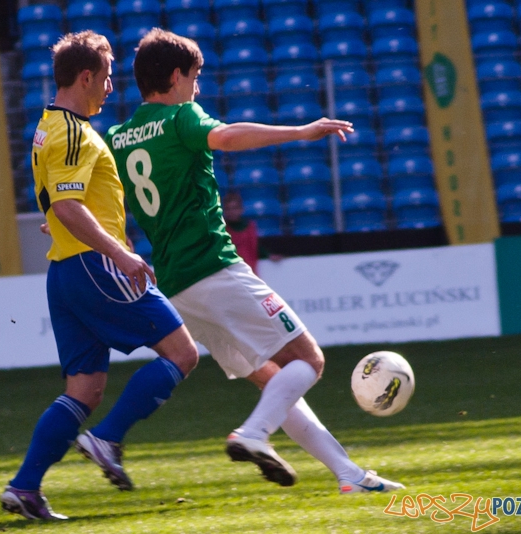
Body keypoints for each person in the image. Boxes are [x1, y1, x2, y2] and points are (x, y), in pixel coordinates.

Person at [106, 28, 404, 494]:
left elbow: (103, 198)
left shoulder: (119, 137)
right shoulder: (181, 117)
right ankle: (253, 434)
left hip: (177, 287)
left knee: (275, 381)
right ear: (176, 76)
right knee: (308, 360)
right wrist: (301, 131)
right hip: (214, 268)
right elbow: (225, 137)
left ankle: (349, 475)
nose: (197, 88)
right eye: (195, 77)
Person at [0, 30, 199, 521]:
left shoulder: (48, 125)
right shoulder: (73, 132)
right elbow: (67, 204)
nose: (111, 87)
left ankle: (25, 488)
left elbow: (60, 199)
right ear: (86, 77)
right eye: (107, 77)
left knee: (84, 389)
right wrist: (121, 255)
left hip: (66, 271)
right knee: (183, 353)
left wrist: (63, 217)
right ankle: (107, 439)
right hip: (96, 265)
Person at [221, 190, 283, 275]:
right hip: (230, 274)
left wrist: (268, 255)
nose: (232, 212)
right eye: (228, 209)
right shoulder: (221, 230)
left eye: (235, 208)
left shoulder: (250, 227)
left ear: (241, 209)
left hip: (249, 273)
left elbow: (255, 246)